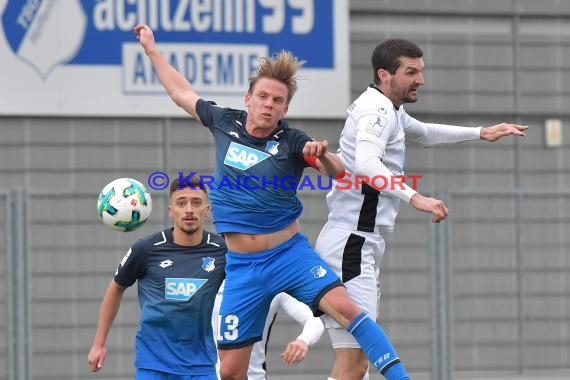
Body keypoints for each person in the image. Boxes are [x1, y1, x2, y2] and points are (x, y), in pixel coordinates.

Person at [134, 23, 411, 380]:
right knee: (231, 372)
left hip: (289, 257)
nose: (269, 104)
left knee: (350, 312)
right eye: (263, 96)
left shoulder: (294, 141)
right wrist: (152, 50)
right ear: (249, 98)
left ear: (284, 108)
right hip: (242, 269)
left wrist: (323, 156)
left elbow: (341, 173)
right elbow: (180, 92)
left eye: (277, 100)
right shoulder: (224, 122)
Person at [315, 38, 529, 380]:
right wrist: (416, 198)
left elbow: (425, 132)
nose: (421, 80)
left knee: (356, 363)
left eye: (421, 71)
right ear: (384, 74)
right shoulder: (376, 111)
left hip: (357, 244)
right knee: (355, 363)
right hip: (351, 245)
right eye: (411, 72)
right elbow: (367, 164)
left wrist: (482, 132)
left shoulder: (389, 109)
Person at [87, 177, 226, 379]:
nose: (189, 209)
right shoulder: (146, 249)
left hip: (201, 366)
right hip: (153, 365)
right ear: (171, 211)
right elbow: (116, 287)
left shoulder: (222, 252)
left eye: (196, 203)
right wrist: (99, 344)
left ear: (207, 210)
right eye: (181, 203)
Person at [212, 285, 325, 380]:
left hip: (254, 376)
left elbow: (314, 320)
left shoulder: (273, 283)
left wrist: (303, 340)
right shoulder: (208, 276)